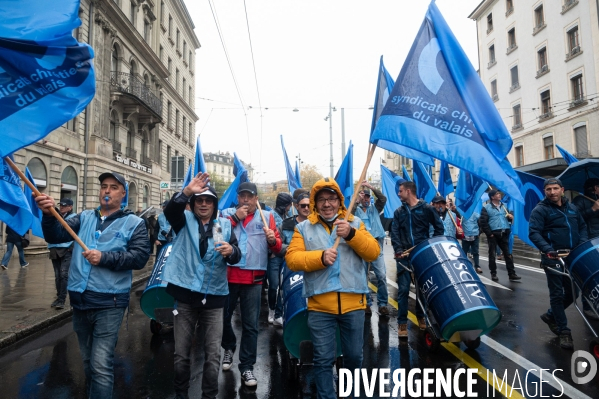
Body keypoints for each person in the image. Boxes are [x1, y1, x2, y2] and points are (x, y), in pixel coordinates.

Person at [36, 171, 150, 398]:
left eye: (113, 187)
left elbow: (139, 258)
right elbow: (56, 235)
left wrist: (105, 257)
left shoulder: (134, 223)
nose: (107, 191)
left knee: (100, 364)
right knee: (88, 363)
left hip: (110, 303)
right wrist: (49, 214)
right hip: (80, 301)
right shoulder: (84, 217)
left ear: (123, 193)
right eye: (104, 186)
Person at [285, 178, 380, 399]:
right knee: (323, 359)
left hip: (353, 305)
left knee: (354, 358)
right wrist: (320, 257)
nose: (327, 204)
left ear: (339, 201)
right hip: (320, 307)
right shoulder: (303, 228)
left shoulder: (355, 223)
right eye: (322, 200)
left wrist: (351, 235)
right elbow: (292, 259)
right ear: (315, 204)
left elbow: (373, 252)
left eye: (331, 199)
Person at [162, 172, 241, 399]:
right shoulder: (183, 220)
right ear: (194, 203)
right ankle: (181, 395)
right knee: (181, 354)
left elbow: (236, 255)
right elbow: (170, 211)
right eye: (199, 200)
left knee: (213, 355)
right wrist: (187, 191)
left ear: (214, 205)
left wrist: (231, 251)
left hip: (214, 297)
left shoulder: (223, 226)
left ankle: (209, 396)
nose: (204, 204)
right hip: (185, 297)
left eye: (208, 201)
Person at [220, 182, 282, 387]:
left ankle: (247, 366)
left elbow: (278, 246)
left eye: (250, 196)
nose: (246, 200)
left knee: (250, 325)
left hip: (254, 278)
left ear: (256, 198)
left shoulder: (268, 216)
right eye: (242, 196)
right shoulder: (226, 213)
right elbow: (216, 235)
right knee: (222, 319)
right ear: (238, 198)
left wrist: (273, 240)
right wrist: (235, 218)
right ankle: (228, 347)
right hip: (227, 276)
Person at [529, 178, 588, 349]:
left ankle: (550, 315)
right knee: (556, 294)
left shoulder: (573, 208)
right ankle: (564, 332)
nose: (552, 192)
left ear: (562, 189)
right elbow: (534, 232)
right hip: (553, 257)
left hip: (572, 255)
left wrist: (581, 244)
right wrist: (548, 249)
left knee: (572, 293)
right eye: (549, 189)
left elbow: (582, 227)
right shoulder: (540, 210)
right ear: (545, 191)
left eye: (555, 188)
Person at [391, 181, 444, 339]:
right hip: (404, 257)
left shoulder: (427, 208)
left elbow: (439, 228)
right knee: (403, 290)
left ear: (408, 191)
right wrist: (399, 250)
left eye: (400, 191)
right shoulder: (399, 212)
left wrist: (430, 245)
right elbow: (395, 233)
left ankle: (421, 316)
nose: (398, 194)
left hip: (422, 255)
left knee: (423, 290)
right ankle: (402, 324)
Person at [353, 181, 389, 316]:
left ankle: (383, 304)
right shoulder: (354, 210)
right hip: (361, 246)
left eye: (368, 197)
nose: (366, 199)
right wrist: (356, 199)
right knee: (362, 276)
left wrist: (371, 188)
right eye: (364, 197)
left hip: (376, 245)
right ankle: (366, 303)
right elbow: (348, 212)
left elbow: (383, 199)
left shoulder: (375, 208)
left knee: (381, 275)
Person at [571, 177, 599, 320]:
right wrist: (593, 209)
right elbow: (575, 219)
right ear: (595, 188)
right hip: (588, 244)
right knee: (588, 276)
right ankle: (588, 306)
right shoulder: (579, 200)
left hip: (598, 240)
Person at [479, 189, 521, 282]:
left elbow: (509, 219)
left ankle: (512, 273)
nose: (499, 195)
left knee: (508, 254)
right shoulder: (486, 207)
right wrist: (490, 234)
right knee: (492, 255)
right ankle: (493, 273)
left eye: (499, 193)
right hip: (494, 234)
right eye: (497, 194)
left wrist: (510, 217)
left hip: (504, 233)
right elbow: (483, 222)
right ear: (492, 197)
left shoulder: (504, 206)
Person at [266, 192, 293, 325]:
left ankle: (278, 312)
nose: (289, 207)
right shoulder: (270, 216)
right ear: (285, 204)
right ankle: (271, 309)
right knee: (273, 286)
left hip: (284, 255)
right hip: (273, 257)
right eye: (288, 205)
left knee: (282, 286)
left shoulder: (288, 217)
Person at [48, 198, 76, 309]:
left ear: (70, 207)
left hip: (66, 250)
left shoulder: (73, 218)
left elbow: (76, 234)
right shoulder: (56, 216)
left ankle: (62, 300)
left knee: (64, 274)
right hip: (54, 249)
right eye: (61, 206)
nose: (62, 207)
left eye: (64, 206)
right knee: (57, 276)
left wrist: (71, 248)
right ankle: (58, 296)